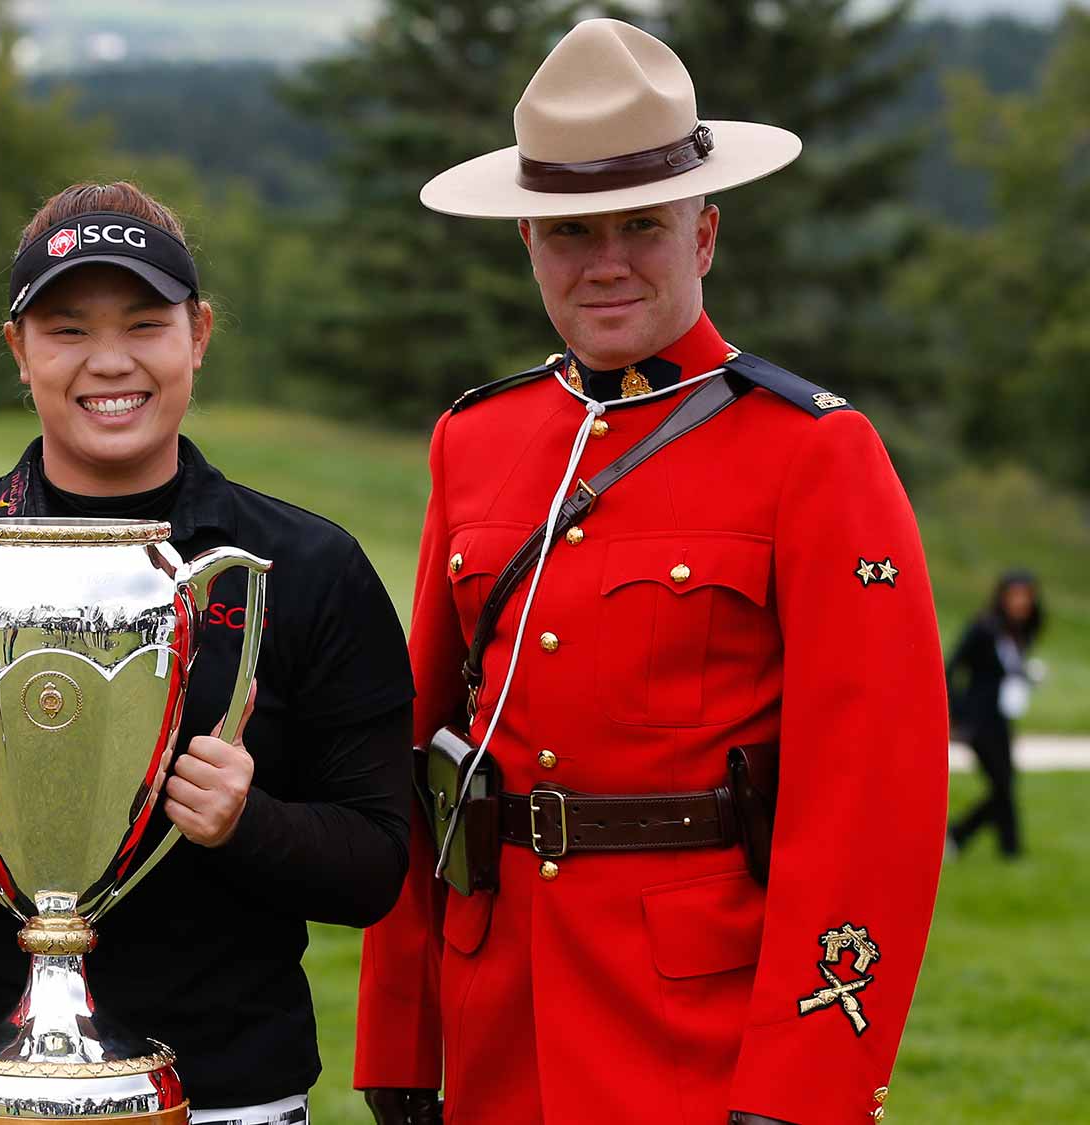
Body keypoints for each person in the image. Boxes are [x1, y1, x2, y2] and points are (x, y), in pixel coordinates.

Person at [353, 20, 948, 1125]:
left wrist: (803, 1079)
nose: (608, 261)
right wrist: (401, 1033)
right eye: (573, 231)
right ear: (528, 239)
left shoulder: (811, 452)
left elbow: (872, 797)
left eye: (643, 225)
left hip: (701, 1030)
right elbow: (419, 757)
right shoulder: (474, 441)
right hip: (498, 1017)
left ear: (705, 234)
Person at [0, 182, 415, 1123]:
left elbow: (375, 865)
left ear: (198, 334)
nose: (110, 361)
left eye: (144, 323)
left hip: (226, 1086)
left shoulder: (303, 569)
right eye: (67, 329)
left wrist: (247, 820)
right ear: (18, 350)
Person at [947, 570, 1044, 859]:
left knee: (1006, 784)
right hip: (978, 720)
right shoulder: (983, 628)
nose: (1020, 602)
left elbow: (1006, 671)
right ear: (1002, 596)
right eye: (1015, 595)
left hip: (1001, 719)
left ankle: (1006, 849)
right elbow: (951, 668)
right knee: (1002, 783)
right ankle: (968, 837)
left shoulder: (1020, 631)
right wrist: (957, 713)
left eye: (1026, 596)